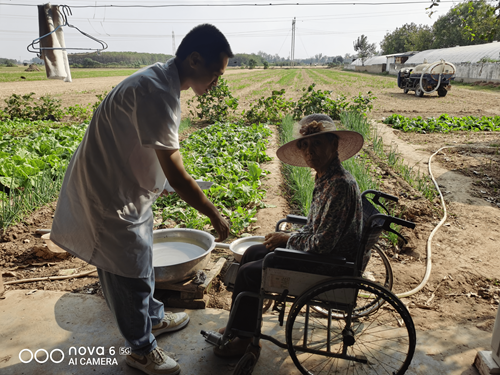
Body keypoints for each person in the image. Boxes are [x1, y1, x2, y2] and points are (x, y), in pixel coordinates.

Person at [50, 24, 232, 375]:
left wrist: (157, 182)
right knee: (127, 271)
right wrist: (214, 215)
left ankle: (154, 319)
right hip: (107, 191)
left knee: (142, 256)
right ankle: (140, 349)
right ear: (194, 60)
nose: (216, 82)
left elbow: (144, 145)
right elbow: (176, 171)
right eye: (215, 73)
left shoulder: (165, 82)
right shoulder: (155, 90)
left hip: (125, 182)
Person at [214, 113, 364, 358]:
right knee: (252, 252)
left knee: (251, 273)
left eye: (317, 143)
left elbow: (323, 243)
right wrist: (287, 237)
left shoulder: (339, 184)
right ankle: (241, 327)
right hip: (323, 254)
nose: (309, 151)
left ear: (333, 145)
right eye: (304, 145)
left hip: (329, 265)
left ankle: (245, 338)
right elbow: (316, 228)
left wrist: (287, 240)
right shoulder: (325, 177)